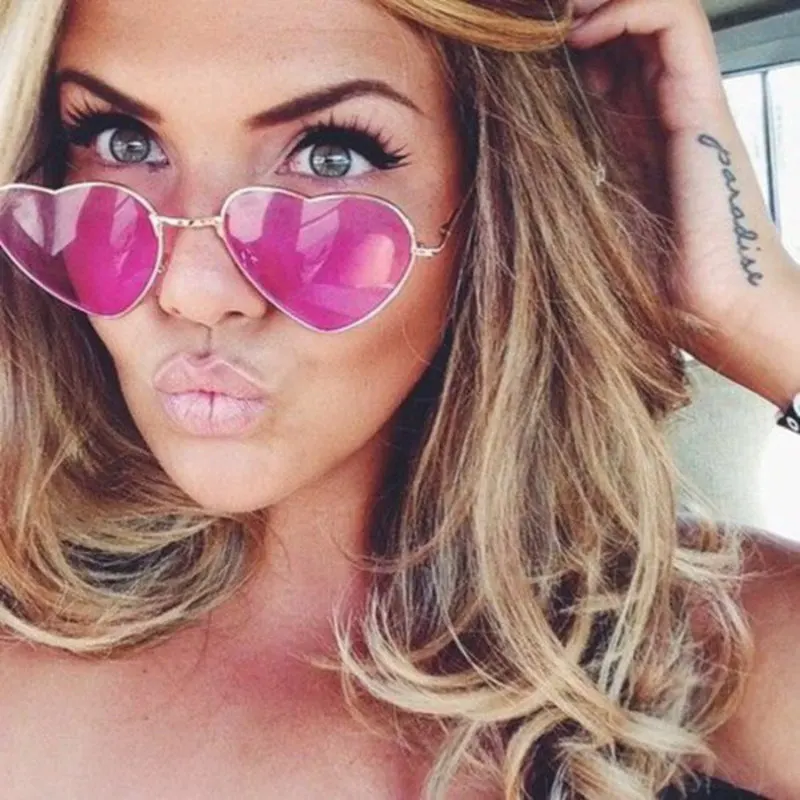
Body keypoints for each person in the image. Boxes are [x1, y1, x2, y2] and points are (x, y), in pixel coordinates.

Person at [0, 0, 798, 797]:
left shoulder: (699, 651)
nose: (193, 290)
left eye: (330, 157)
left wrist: (758, 317)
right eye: (123, 142)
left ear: (494, 201)